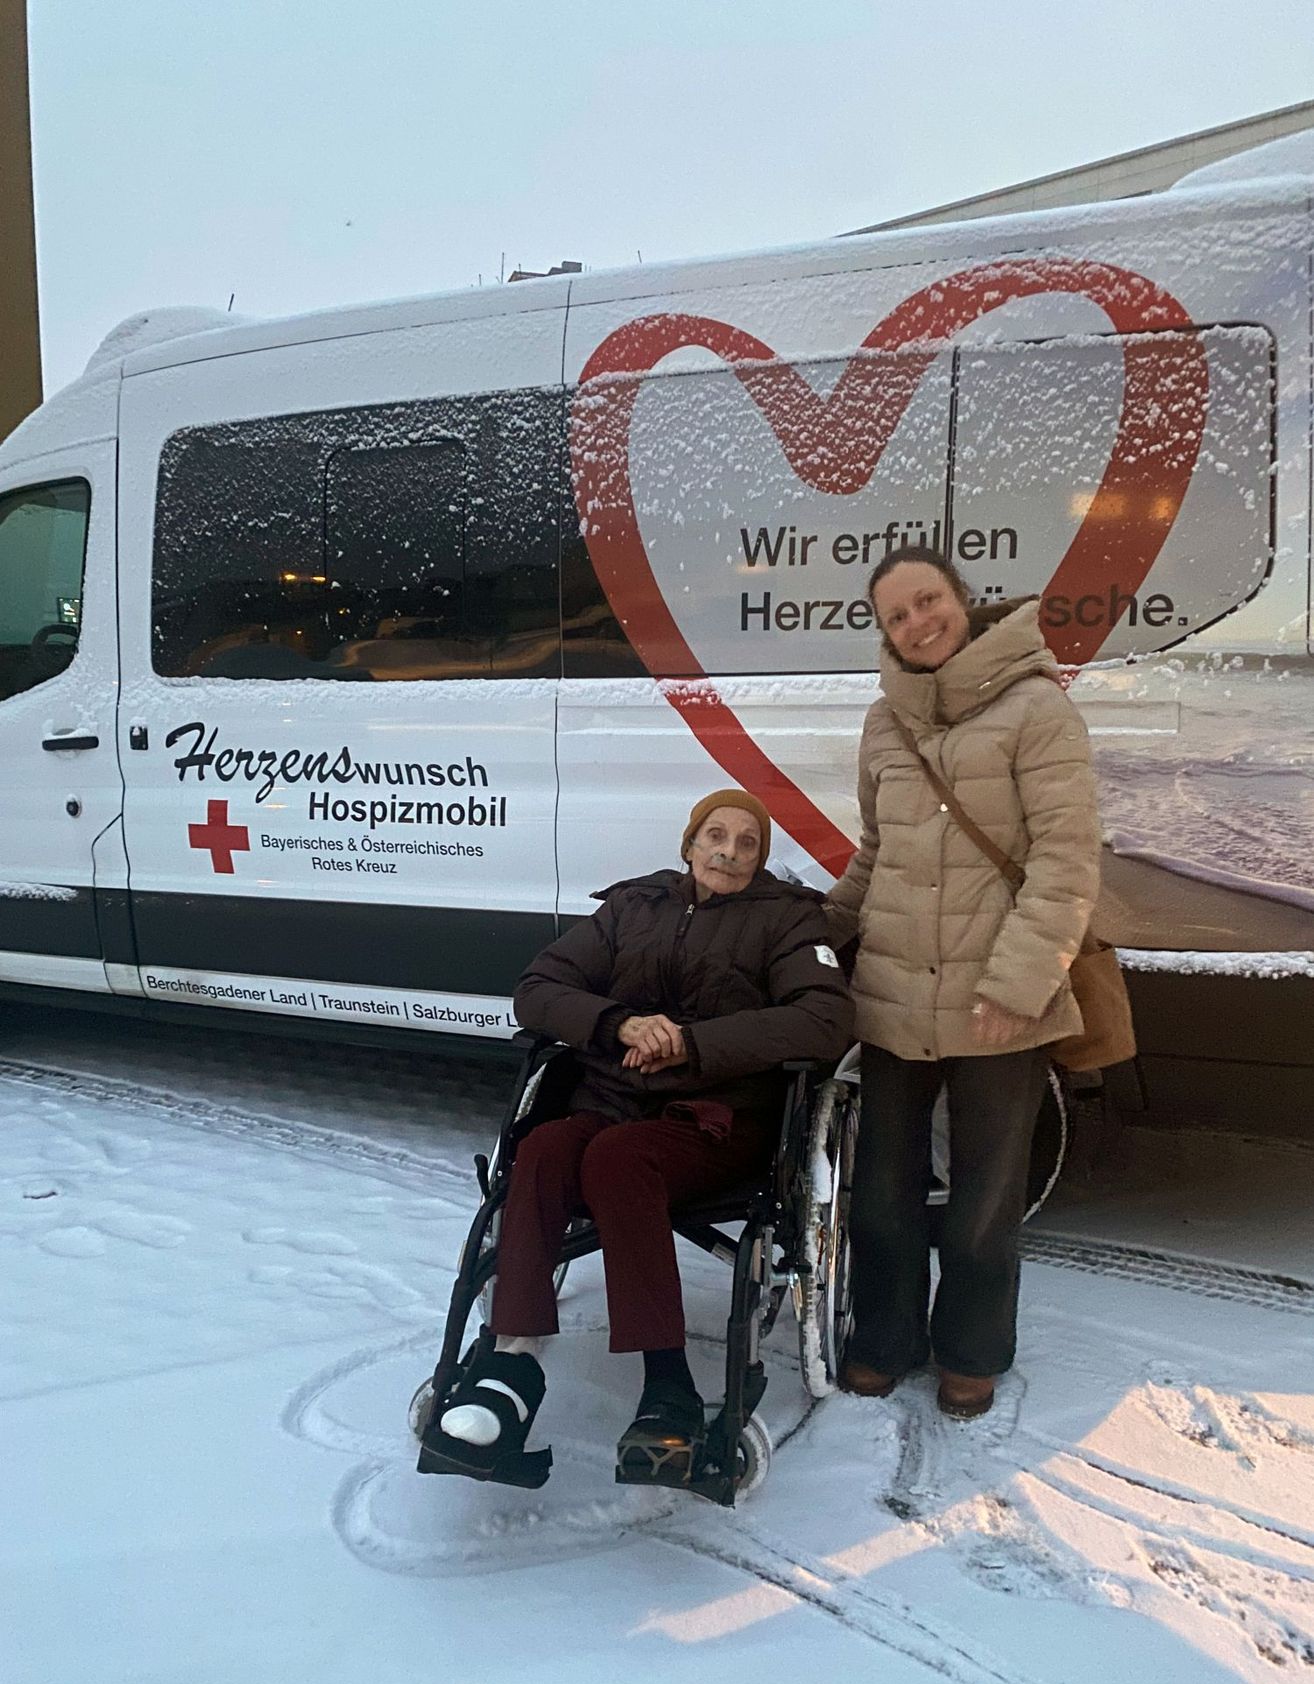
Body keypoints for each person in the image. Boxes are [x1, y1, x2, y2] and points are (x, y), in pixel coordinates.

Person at [419, 789, 853, 1485]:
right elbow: (538, 988)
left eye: (748, 843)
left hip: (716, 1121)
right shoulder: (632, 907)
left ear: (762, 859)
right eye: (716, 835)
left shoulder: (788, 922)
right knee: (545, 1149)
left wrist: (692, 1044)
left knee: (618, 1159)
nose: (729, 852)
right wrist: (617, 1022)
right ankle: (510, 1363)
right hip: (610, 1101)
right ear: (688, 844)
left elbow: (825, 1020)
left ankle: (668, 1387)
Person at [826, 547, 1101, 1419]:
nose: (917, 623)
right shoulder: (884, 721)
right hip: (895, 996)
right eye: (896, 615)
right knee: (880, 1189)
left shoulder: (1036, 708)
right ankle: (886, 1337)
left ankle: (973, 1350)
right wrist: (814, 931)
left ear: (962, 601)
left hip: (999, 1004)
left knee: (985, 1195)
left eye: (928, 601)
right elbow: (879, 853)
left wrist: (1018, 983)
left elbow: (1066, 862)